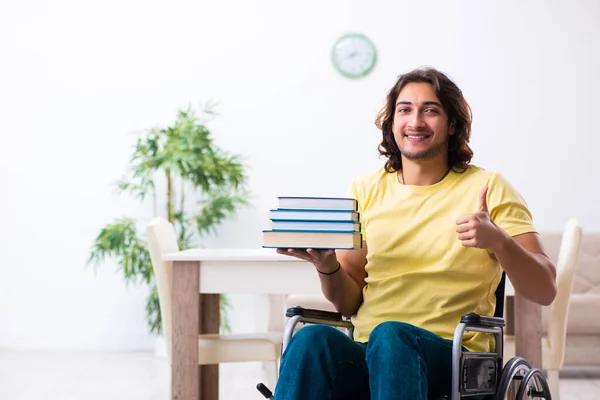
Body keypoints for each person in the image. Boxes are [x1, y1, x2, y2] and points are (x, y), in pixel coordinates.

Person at [272, 67, 557, 400]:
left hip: (452, 357)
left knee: (392, 336)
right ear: (392, 124)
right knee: (311, 338)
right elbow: (349, 302)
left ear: (452, 125)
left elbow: (545, 289)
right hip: (369, 350)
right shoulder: (365, 188)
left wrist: (498, 241)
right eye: (404, 110)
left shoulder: (489, 188)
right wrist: (326, 266)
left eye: (431, 110)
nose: (416, 121)